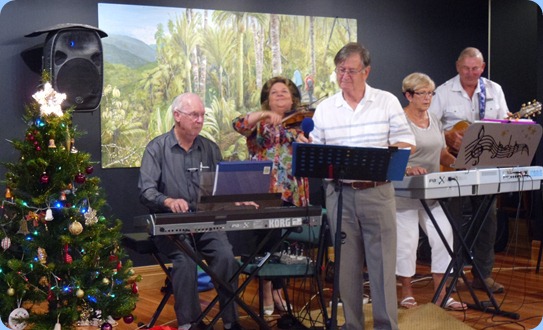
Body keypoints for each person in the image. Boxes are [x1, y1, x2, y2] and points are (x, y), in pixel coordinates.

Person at [309, 42, 416, 330]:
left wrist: (380, 156)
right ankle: (352, 325)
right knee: (346, 266)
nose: (344, 76)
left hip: (377, 192)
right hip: (339, 194)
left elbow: (407, 142)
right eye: (340, 70)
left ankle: (385, 326)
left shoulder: (386, 101)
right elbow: (317, 152)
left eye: (351, 70)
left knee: (382, 264)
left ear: (366, 71)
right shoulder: (325, 109)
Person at [138, 93, 243, 330]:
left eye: (202, 115)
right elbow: (146, 191)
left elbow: (221, 190)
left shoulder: (210, 149)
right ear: (177, 116)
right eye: (194, 114)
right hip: (170, 225)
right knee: (185, 260)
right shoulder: (156, 148)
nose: (200, 120)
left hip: (206, 223)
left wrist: (237, 201)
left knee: (226, 256)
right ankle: (190, 324)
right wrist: (167, 201)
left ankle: (231, 321)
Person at [428, 47, 509, 293]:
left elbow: (505, 124)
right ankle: (452, 275)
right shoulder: (442, 92)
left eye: (476, 68)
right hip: (452, 165)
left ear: (482, 67)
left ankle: (483, 275)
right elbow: (428, 127)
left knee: (488, 219)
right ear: (457, 67)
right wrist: (448, 137)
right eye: (466, 68)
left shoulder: (494, 90)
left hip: (486, 165)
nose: (471, 73)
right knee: (452, 220)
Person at [231, 76, 309, 315]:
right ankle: (266, 289)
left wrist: (308, 142)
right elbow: (238, 124)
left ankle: (278, 290)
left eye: (284, 92)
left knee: (284, 244)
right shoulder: (259, 122)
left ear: (293, 97)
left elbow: (314, 148)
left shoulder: (302, 122)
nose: (279, 95)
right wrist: (263, 115)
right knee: (266, 242)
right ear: (267, 99)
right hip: (264, 190)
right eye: (274, 92)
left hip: (292, 190)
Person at [396, 73, 467, 311]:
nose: (427, 98)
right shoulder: (399, 120)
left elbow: (442, 153)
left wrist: (458, 162)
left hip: (431, 192)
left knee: (444, 235)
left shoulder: (434, 119)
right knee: (407, 241)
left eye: (430, 93)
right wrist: (408, 168)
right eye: (421, 93)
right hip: (404, 193)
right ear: (408, 95)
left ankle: (442, 294)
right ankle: (406, 292)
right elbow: (395, 156)